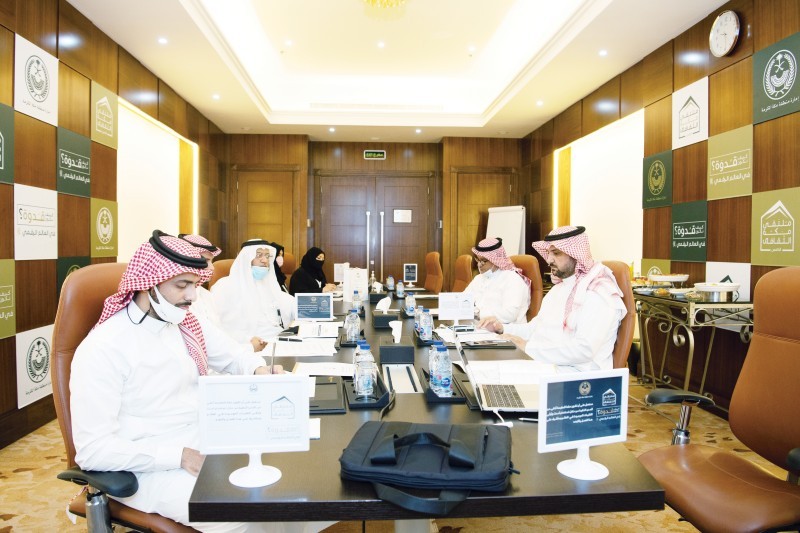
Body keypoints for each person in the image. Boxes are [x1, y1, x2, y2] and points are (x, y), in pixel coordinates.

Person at [69, 231, 334, 532]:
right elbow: (93, 449)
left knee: (293, 477)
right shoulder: (104, 347)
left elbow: (234, 355)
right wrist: (179, 456)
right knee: (238, 508)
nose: (192, 297)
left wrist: (260, 371)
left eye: (194, 285)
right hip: (148, 465)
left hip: (206, 436)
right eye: (181, 285)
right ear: (148, 284)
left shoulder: (183, 321)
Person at [478, 225, 626, 372]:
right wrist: (501, 328)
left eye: (556, 253)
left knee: (493, 372)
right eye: (549, 253)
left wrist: (527, 347)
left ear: (575, 254)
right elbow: (535, 329)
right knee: (485, 364)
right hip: (547, 363)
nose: (549, 260)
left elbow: (584, 350)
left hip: (577, 374)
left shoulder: (598, 292)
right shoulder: (558, 289)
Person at [180, 233, 267, 353]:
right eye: (205, 261)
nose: (212, 268)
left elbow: (219, 332)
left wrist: (247, 341)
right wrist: (249, 348)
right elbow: (205, 347)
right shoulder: (180, 300)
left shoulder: (205, 295)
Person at [212, 239, 295, 342]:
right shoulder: (224, 286)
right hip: (246, 345)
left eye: (267, 256)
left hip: (278, 341)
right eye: (259, 255)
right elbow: (218, 325)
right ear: (246, 259)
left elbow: (288, 302)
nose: (265, 260)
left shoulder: (269, 284)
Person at [464, 237, 530, 324]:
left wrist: (477, 314)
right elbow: (463, 300)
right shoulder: (479, 278)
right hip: (477, 327)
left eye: (483, 261)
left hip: (505, 330)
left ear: (496, 260)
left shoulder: (512, 279)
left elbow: (509, 314)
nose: (479, 265)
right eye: (478, 260)